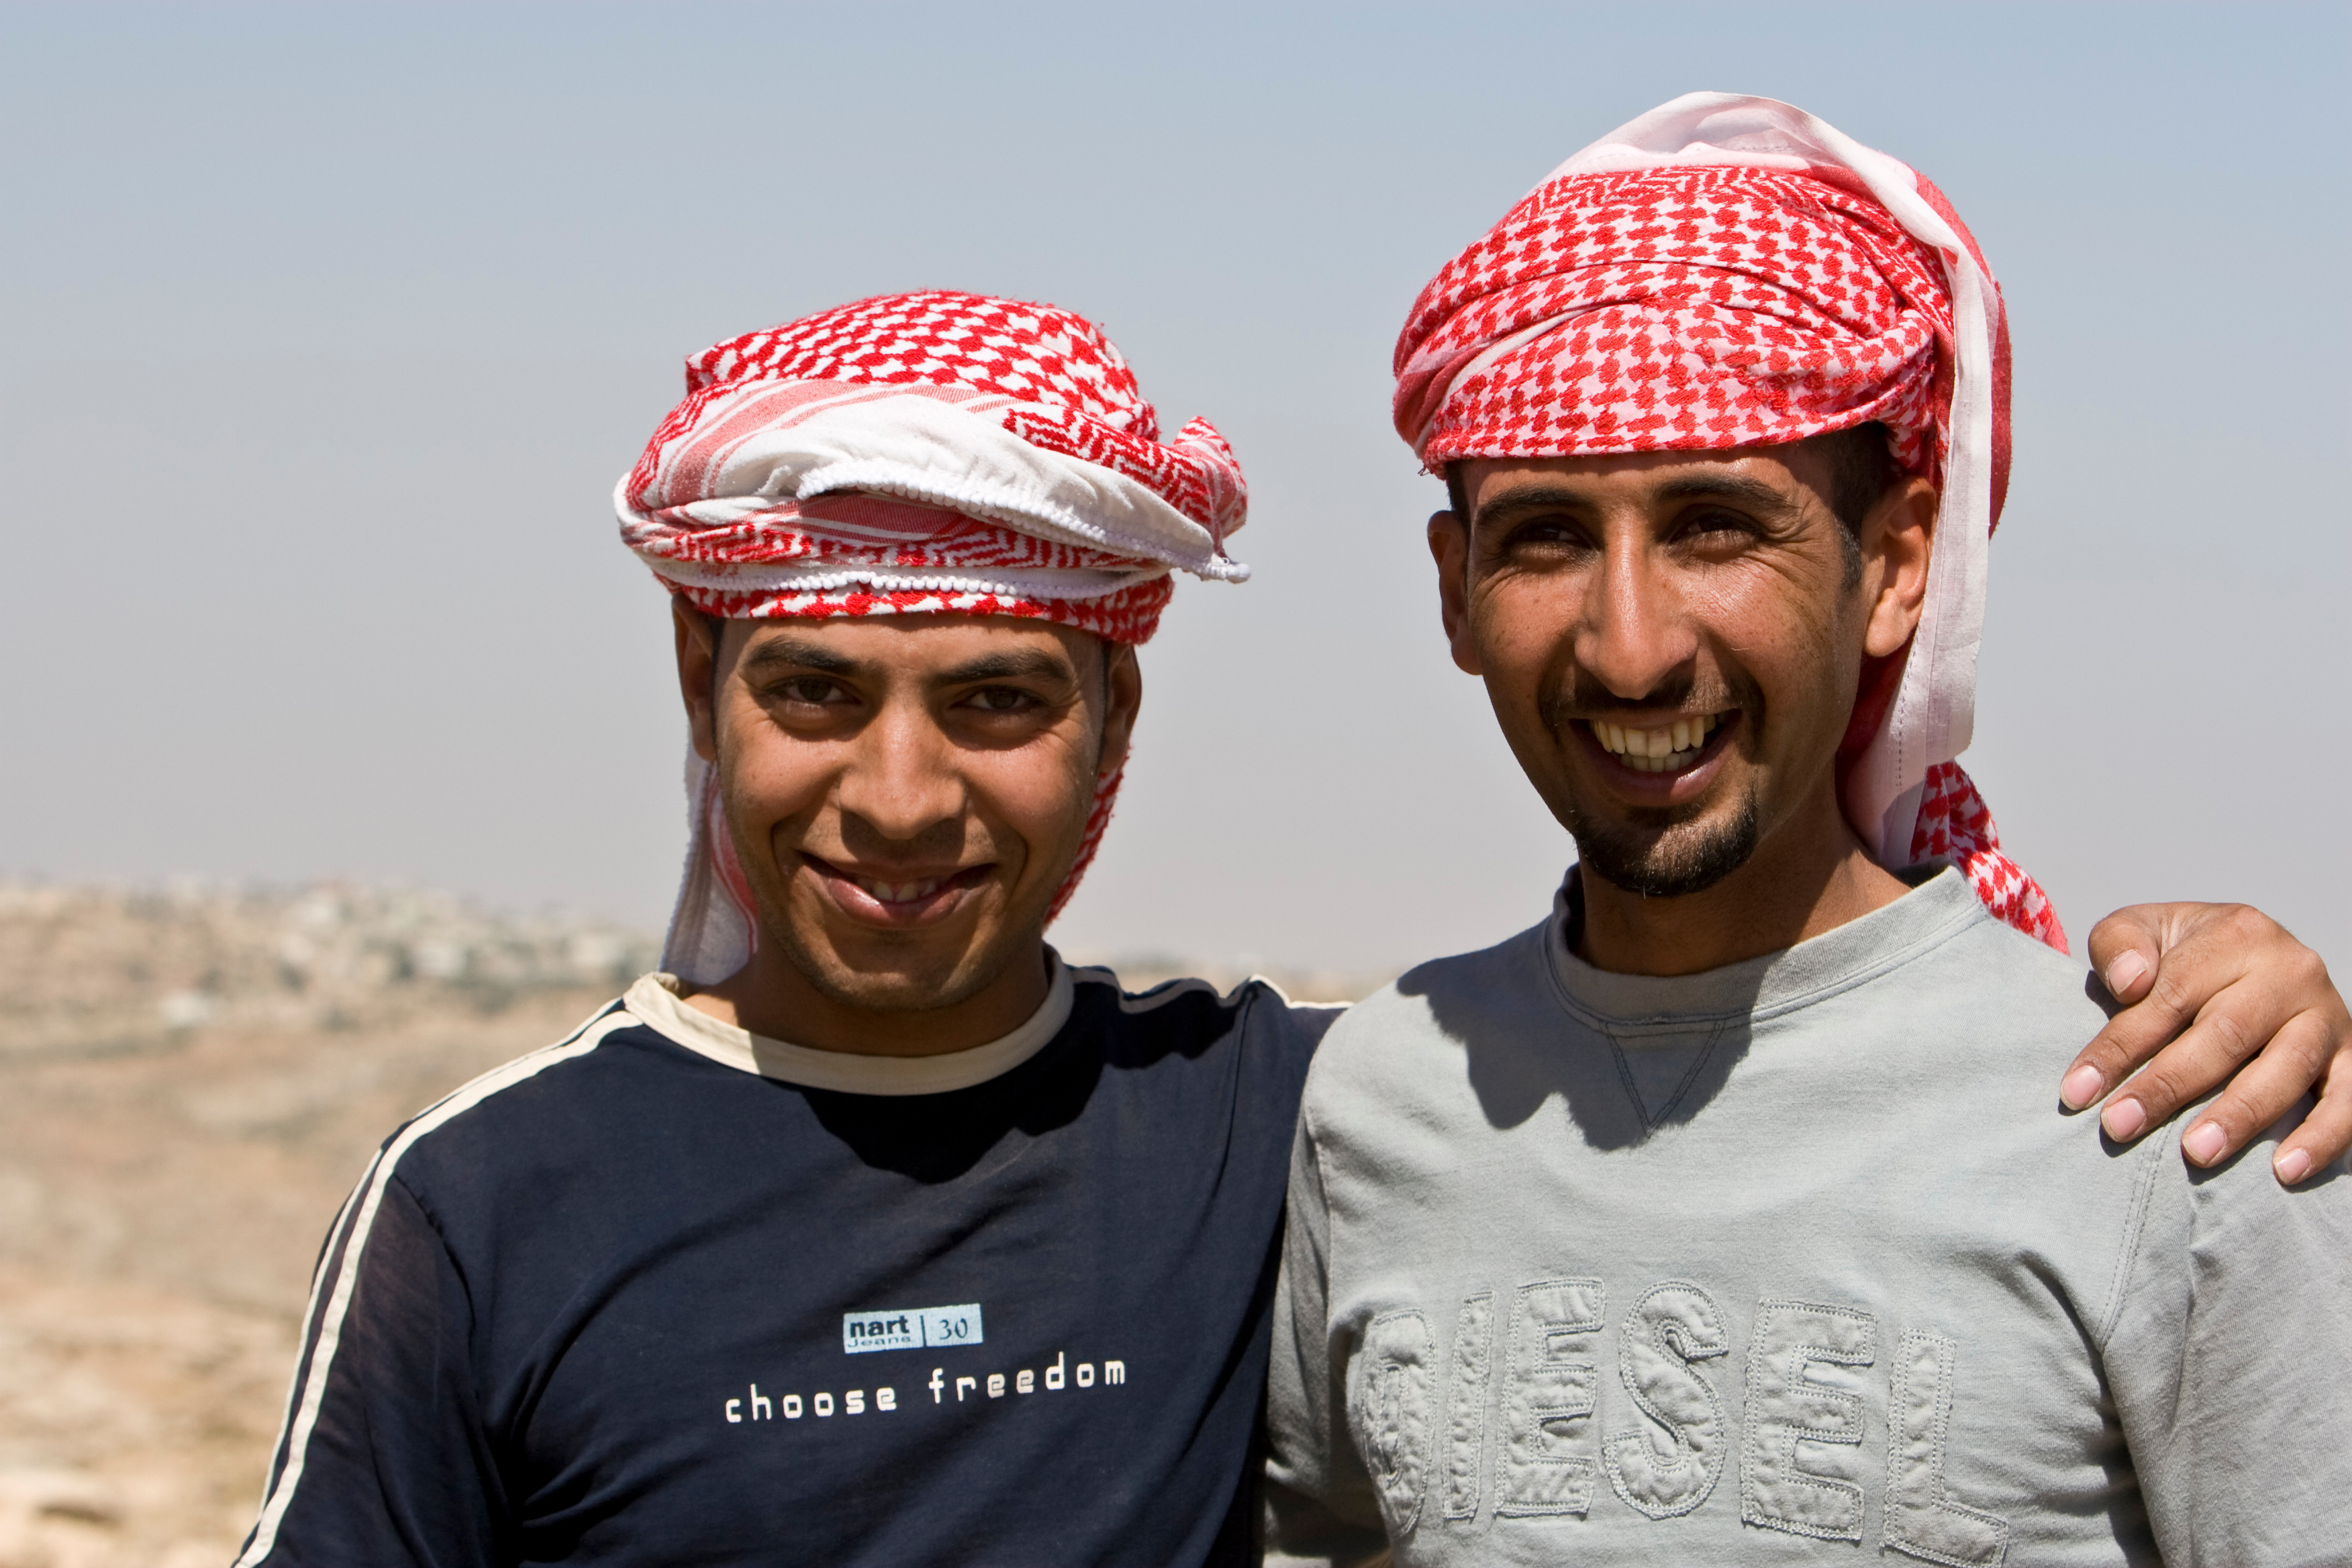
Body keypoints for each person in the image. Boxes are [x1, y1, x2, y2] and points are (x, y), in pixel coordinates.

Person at [236, 281, 2343, 1567]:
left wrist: (2231, 979)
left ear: (1110, 721)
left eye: (994, 702)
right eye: (811, 694)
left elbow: (1741, 1076)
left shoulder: (1281, 1113)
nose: (899, 795)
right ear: (702, 697)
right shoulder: (489, 1204)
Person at [1263, 95, 2351, 1567]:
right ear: (1453, 591)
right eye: (1545, 538)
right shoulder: (1376, 1100)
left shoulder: (2168, 1107)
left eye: (1716, 525)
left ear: (1897, 566)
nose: (1630, 646)